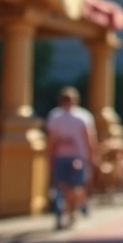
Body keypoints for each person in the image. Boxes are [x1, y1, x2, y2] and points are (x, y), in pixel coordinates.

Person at [47, 87, 97, 230]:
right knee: (72, 187)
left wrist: (49, 157)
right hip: (76, 156)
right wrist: (92, 156)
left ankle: (71, 211)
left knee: (66, 187)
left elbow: (51, 140)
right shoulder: (82, 116)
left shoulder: (56, 116)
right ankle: (72, 212)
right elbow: (90, 139)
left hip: (67, 156)